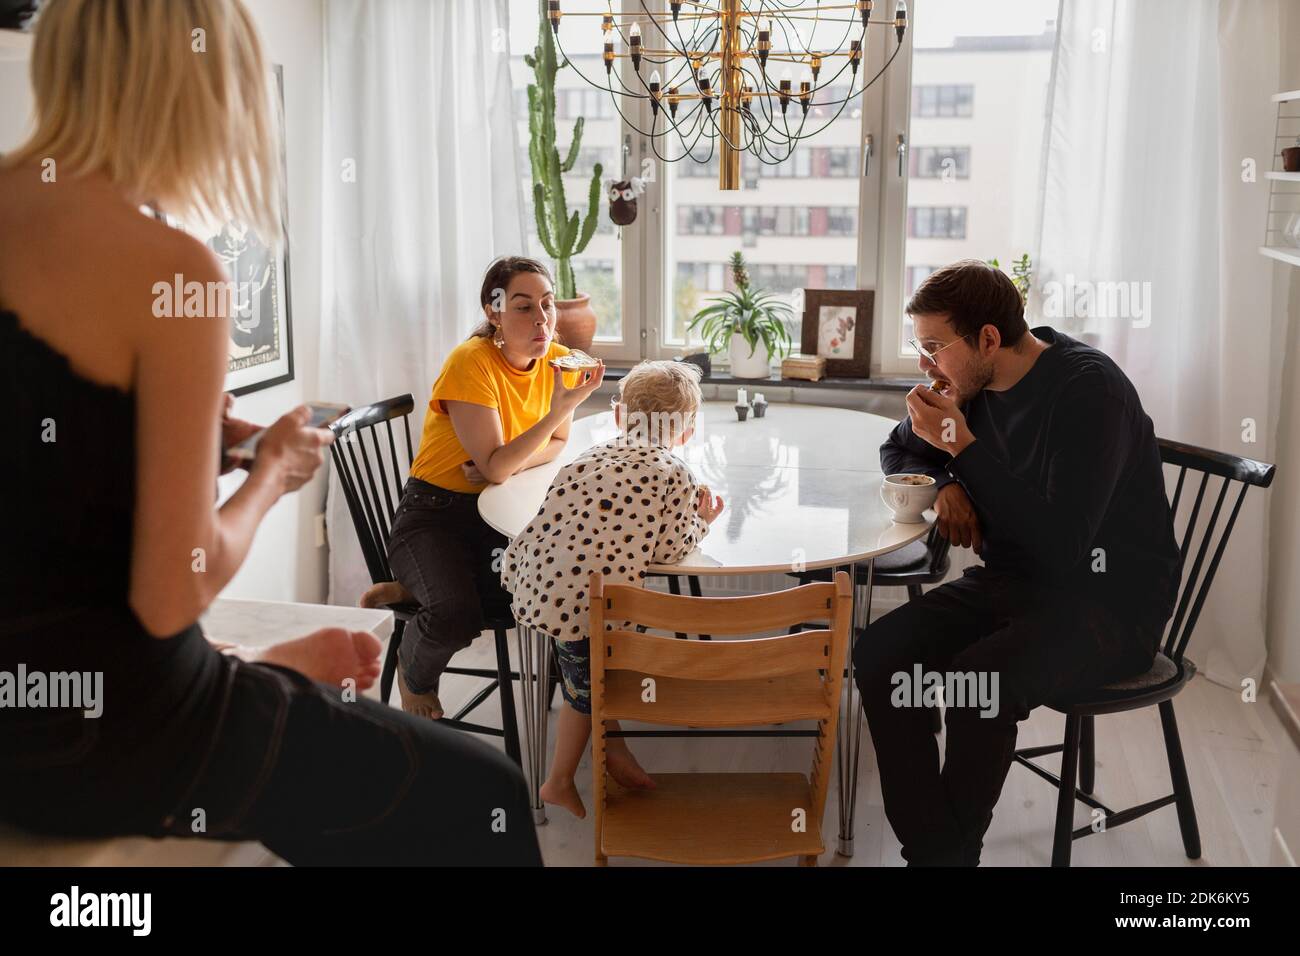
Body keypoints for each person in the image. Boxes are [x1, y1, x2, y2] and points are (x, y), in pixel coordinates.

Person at [0, 0, 541, 866]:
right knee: (489, 795)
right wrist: (271, 473)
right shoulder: (168, 269)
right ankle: (252, 674)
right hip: (102, 735)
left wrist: (198, 442)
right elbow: (171, 596)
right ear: (207, 91)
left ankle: (258, 668)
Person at [854, 259, 1181, 866]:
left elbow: (1063, 547)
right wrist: (946, 477)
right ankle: (941, 854)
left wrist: (961, 448)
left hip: (1110, 604)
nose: (925, 366)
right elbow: (896, 449)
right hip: (1014, 583)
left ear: (986, 339)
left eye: (933, 347)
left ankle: (940, 858)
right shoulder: (970, 387)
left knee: (980, 680)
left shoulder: (1089, 391)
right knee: (879, 653)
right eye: (918, 347)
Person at [384, 256, 605, 719]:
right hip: (434, 514)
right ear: (494, 311)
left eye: (547, 304)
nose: (542, 319)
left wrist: (501, 465)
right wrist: (537, 429)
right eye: (523, 307)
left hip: (497, 514)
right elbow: (507, 462)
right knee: (456, 617)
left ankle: (416, 588)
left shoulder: (558, 360)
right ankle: (414, 674)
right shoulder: (471, 362)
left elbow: (556, 445)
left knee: (552, 589)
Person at [501, 361, 724, 818]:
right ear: (687, 431)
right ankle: (558, 781)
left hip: (540, 581)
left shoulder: (586, 457)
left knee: (590, 676)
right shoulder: (672, 472)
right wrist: (702, 520)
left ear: (620, 416)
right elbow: (669, 549)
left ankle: (615, 753)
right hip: (586, 604)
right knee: (584, 696)